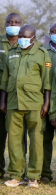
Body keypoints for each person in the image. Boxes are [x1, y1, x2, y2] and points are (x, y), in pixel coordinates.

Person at [0, 25, 51, 188]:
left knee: (36, 140)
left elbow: (47, 82)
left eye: (25, 36)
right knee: (14, 140)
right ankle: (16, 174)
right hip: (14, 103)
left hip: (35, 103)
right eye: (20, 36)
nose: (21, 39)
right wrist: (3, 101)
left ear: (34, 38)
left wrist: (46, 103)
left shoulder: (42, 54)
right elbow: (5, 80)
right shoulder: (12, 53)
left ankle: (33, 176)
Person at [0, 13, 22, 179]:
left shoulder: (26, 43)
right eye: (10, 22)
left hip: (19, 96)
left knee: (18, 136)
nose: (13, 24)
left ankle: (20, 170)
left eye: (16, 22)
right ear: (5, 24)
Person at [44, 22, 56, 184]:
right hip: (44, 102)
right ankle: (45, 172)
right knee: (44, 140)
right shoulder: (43, 52)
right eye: (52, 31)